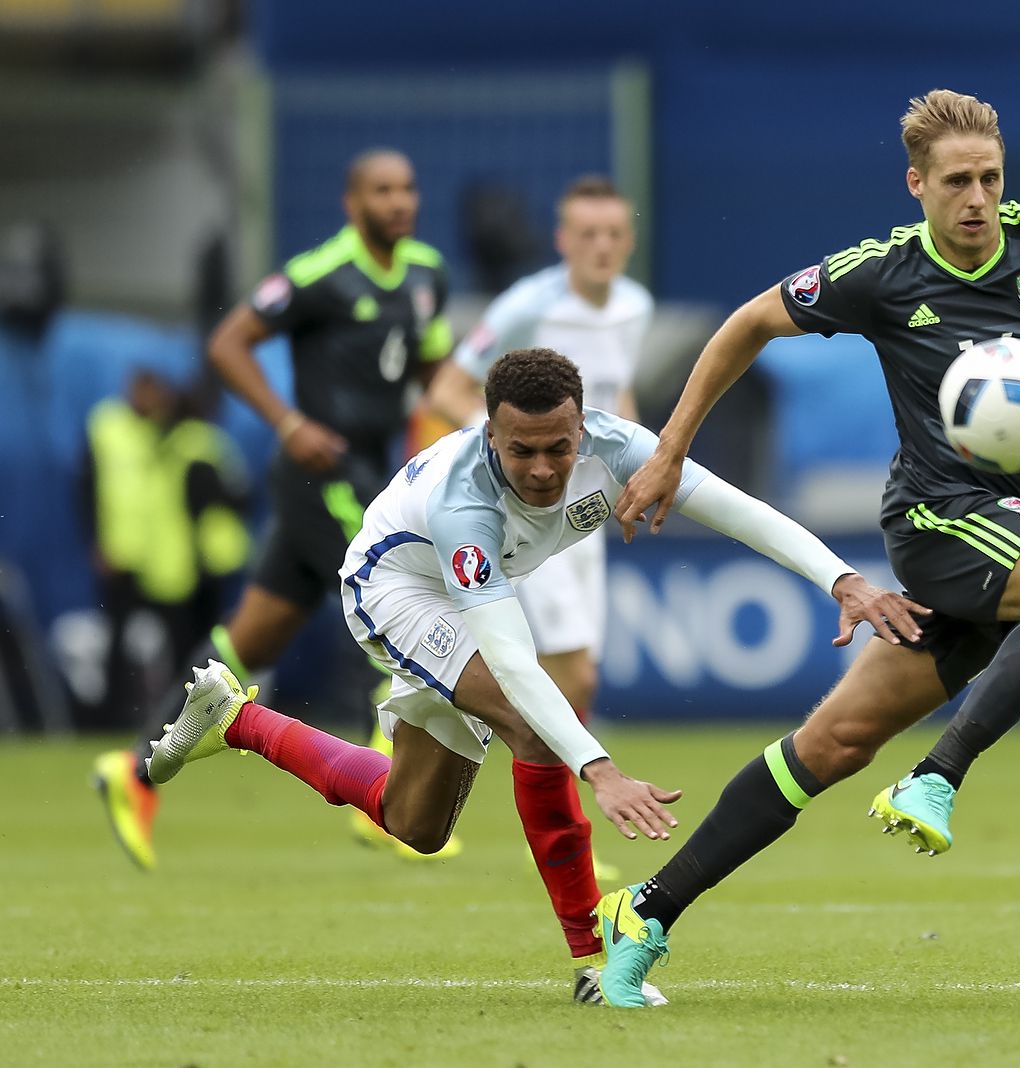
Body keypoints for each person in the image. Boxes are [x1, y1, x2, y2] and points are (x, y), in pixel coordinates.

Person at [594, 89, 1020, 1006]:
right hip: (942, 521)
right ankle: (938, 775)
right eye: (956, 182)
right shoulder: (882, 274)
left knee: (833, 742)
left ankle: (646, 912)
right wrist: (669, 451)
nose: (977, 197)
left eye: (989, 177)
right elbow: (746, 323)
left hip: (1018, 542)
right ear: (918, 185)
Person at [147, 347, 924, 1005]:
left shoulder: (618, 447)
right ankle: (594, 959)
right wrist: (600, 768)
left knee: (415, 823)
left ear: (582, 426)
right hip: (393, 586)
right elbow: (515, 663)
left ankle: (237, 720)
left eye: (559, 447)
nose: (545, 469)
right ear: (491, 433)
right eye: (523, 451)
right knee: (528, 723)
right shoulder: (464, 504)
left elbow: (739, 510)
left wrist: (841, 580)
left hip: (458, 597)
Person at [92, 148, 456, 870]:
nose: (399, 201)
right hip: (317, 473)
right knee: (406, 609)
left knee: (248, 643)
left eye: (408, 188)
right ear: (353, 204)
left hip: (372, 475)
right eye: (382, 191)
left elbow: (433, 376)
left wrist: (445, 446)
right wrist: (289, 424)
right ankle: (385, 805)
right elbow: (229, 343)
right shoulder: (321, 273)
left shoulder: (427, 275)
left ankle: (132, 774)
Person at [426, 176, 650, 882]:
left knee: (572, 672)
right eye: (587, 234)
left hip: (584, 517)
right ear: (562, 241)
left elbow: (620, 399)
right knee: (570, 670)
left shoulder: (636, 307)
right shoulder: (528, 306)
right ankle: (569, 829)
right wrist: (510, 466)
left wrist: (631, 476)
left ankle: (420, 729)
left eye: (613, 234)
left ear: (629, 239)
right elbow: (447, 389)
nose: (601, 246)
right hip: (531, 511)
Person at [81, 366, 252, 728]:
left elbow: (233, 496)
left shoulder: (189, 443)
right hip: (143, 555)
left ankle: (201, 714)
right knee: (157, 642)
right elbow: (89, 489)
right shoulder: (119, 430)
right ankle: (136, 715)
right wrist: (97, 539)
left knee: (200, 643)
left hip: (193, 560)